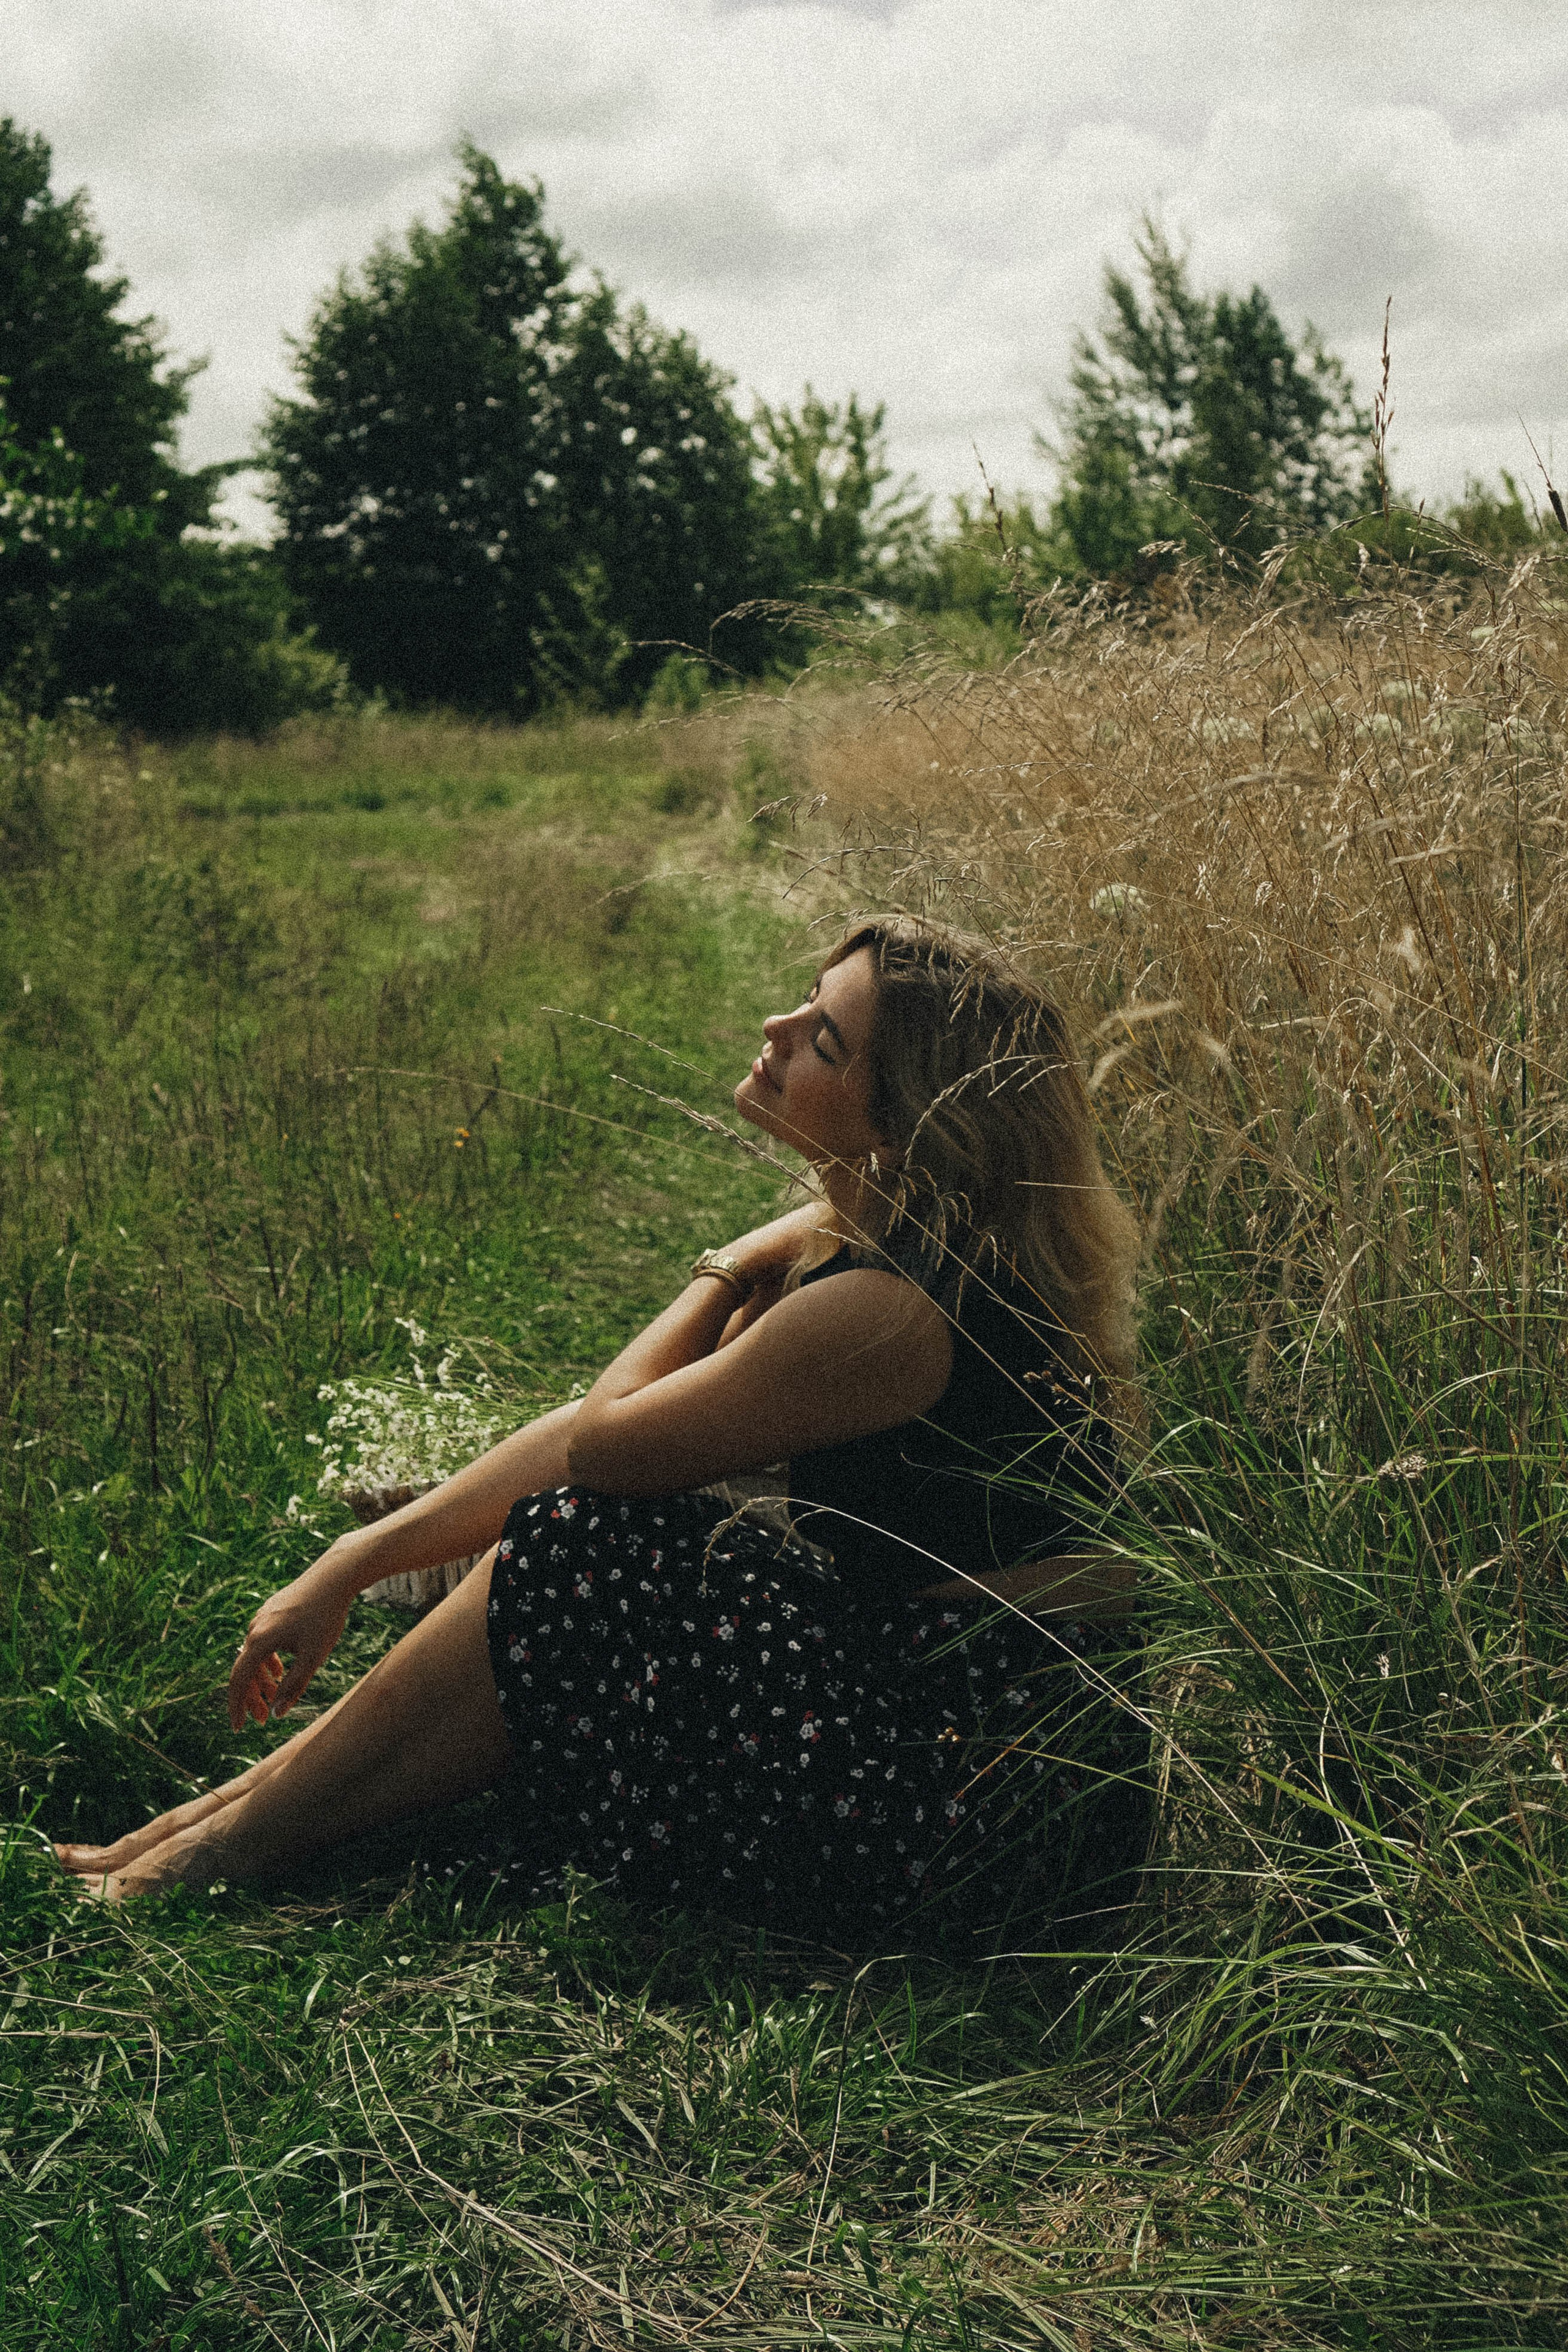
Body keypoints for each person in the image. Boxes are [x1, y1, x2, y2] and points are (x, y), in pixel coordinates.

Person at [56, 920, 1146, 1946]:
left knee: (586, 1545)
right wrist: (357, 1558)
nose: (777, 1030)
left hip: (981, 1807)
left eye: (825, 1040)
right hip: (952, 1732)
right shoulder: (904, 1243)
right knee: (602, 1534)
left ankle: (222, 1852)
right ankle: (212, 1824)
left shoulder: (889, 1309)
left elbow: (605, 1448)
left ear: (903, 1128)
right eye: (807, 1002)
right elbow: (607, 1435)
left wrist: (727, 1265)